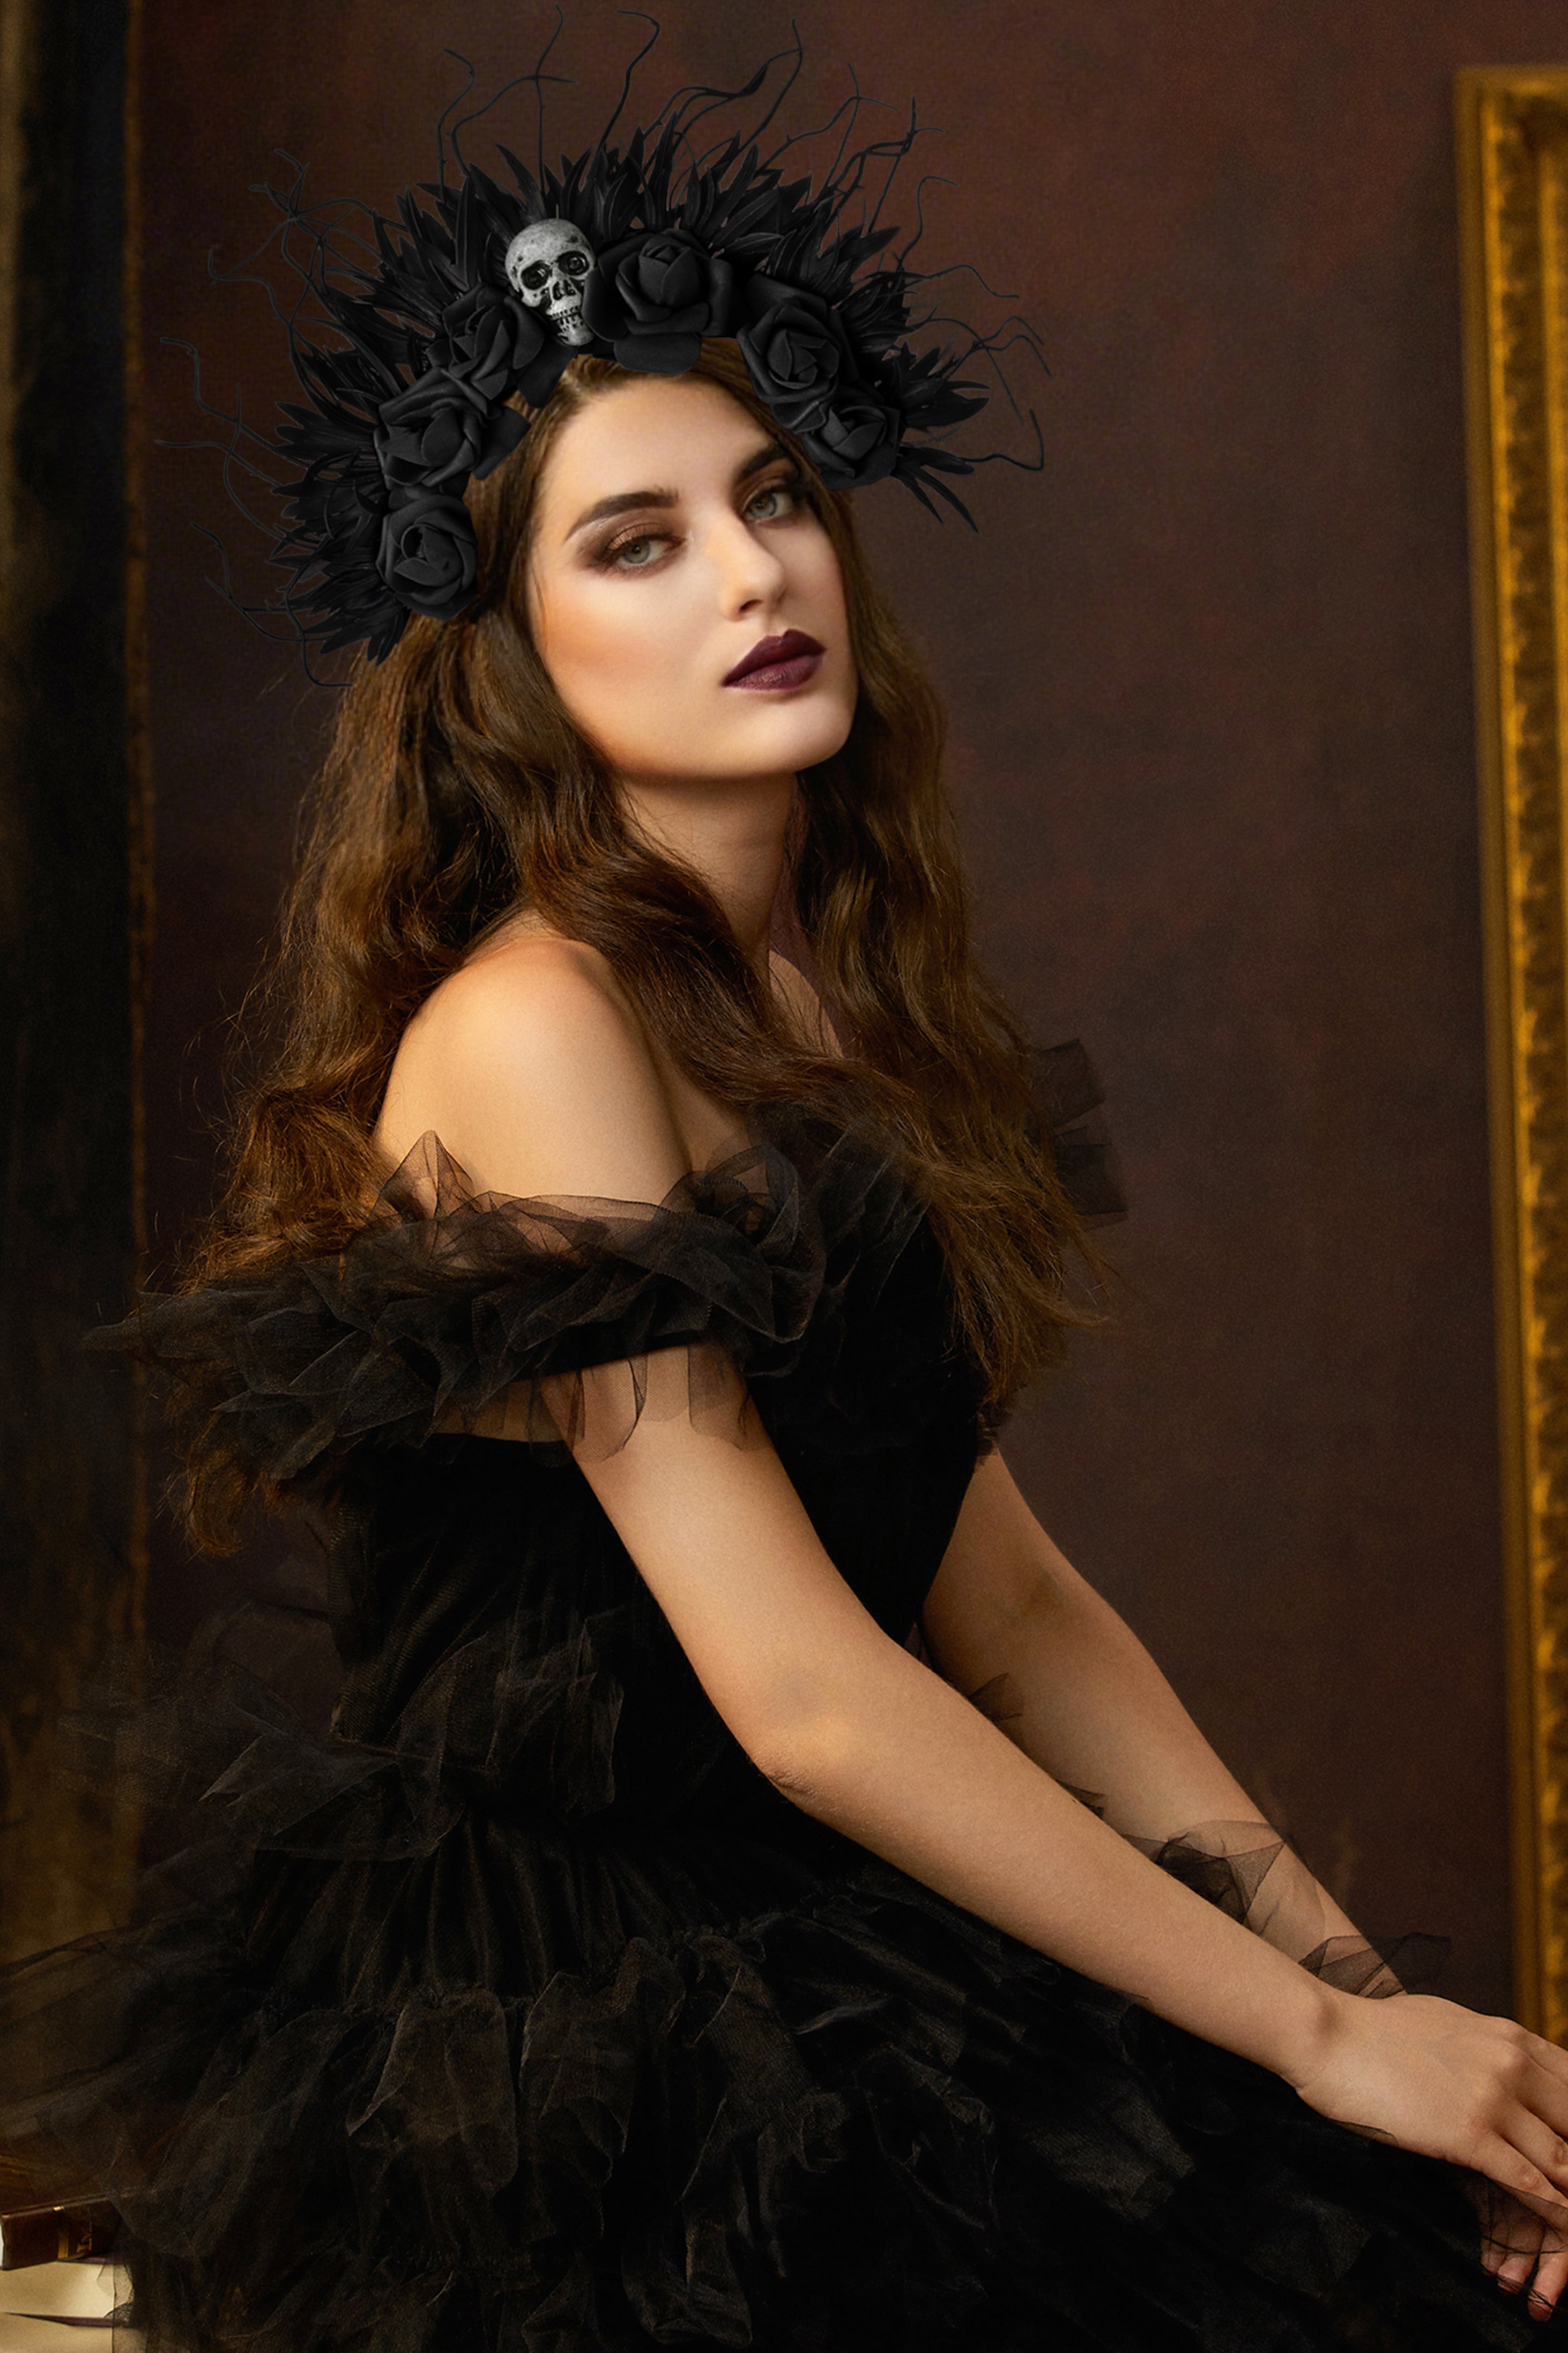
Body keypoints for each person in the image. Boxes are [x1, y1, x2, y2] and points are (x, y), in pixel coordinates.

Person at [4, 55, 1568, 2353]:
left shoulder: (823, 998)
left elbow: (1008, 1604)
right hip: (567, 2027)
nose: (754, 572)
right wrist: (1317, 2037)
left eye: (771, 499)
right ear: (513, 653)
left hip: (828, 1921)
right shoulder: (535, 1025)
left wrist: (1349, 1990)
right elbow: (806, 1693)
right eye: (637, 542)